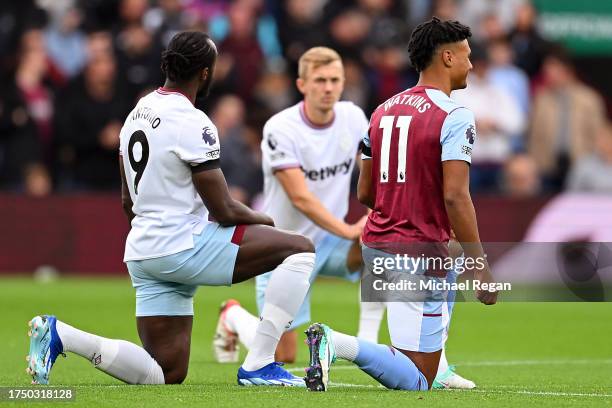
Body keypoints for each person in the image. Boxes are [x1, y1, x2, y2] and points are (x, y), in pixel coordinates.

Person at [26, 31, 316, 387]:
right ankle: (258, 364)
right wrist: (264, 219)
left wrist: (155, 241)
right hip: (182, 246)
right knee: (299, 250)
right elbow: (223, 209)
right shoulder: (192, 121)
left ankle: (63, 336)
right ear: (206, 73)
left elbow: (126, 201)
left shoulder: (137, 113)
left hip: (144, 251)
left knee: (166, 373)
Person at [302, 17, 497, 392]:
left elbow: (365, 193)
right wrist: (481, 265)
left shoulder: (382, 110)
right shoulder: (455, 116)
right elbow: (456, 196)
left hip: (377, 244)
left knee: (451, 254)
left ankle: (439, 366)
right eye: (467, 56)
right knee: (415, 381)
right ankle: (334, 342)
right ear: (448, 57)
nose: (472, 65)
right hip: (416, 249)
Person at [212, 46, 369, 364]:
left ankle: (375, 340)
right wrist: (352, 229)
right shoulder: (280, 128)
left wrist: (371, 221)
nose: (328, 88)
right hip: (283, 246)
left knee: (386, 250)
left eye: (334, 80)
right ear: (302, 85)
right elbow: (301, 197)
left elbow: (371, 174)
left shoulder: (353, 117)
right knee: (282, 355)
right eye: (320, 80)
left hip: (329, 240)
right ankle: (233, 316)